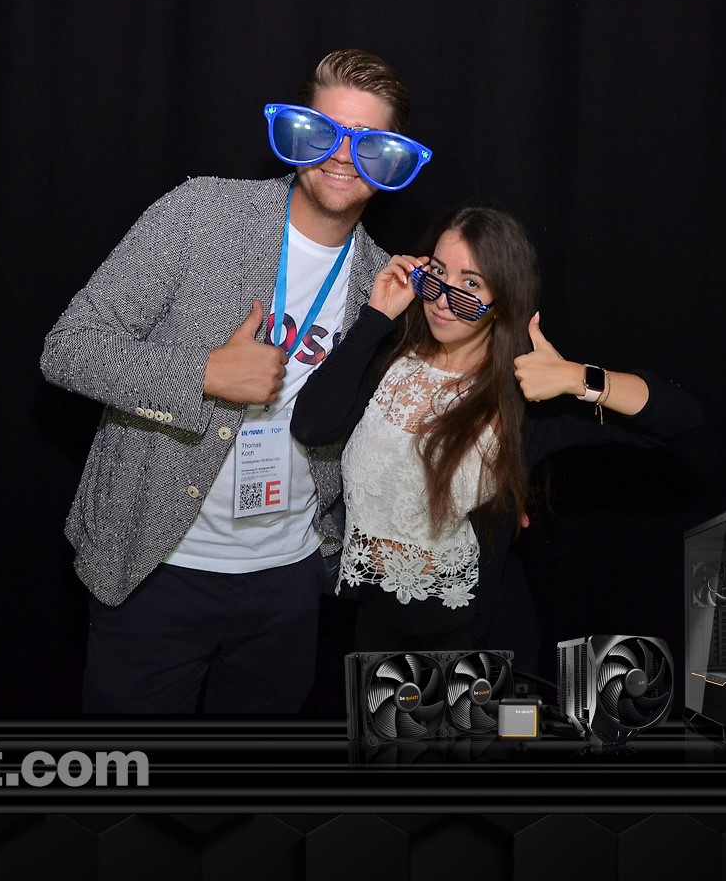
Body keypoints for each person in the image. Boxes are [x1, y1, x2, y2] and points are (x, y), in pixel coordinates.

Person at [40, 49, 433, 713]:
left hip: (287, 581)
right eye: (324, 132)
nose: (343, 156)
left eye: (369, 142)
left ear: (391, 162)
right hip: (156, 567)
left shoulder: (383, 286)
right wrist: (203, 374)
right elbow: (69, 348)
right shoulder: (203, 213)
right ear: (296, 132)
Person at [291, 207, 701, 652]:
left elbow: (681, 420)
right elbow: (311, 426)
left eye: (470, 285)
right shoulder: (392, 358)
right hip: (374, 630)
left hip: (471, 639)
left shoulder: (522, 396)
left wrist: (577, 378)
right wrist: (376, 315)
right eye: (437, 274)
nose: (443, 299)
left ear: (502, 302)